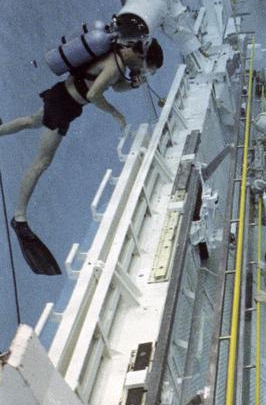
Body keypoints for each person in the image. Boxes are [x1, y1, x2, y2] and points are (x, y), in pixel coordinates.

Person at [0, 36, 162, 273]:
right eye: (144, 66)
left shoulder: (116, 61)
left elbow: (116, 86)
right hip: (63, 107)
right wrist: (116, 114)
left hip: (61, 99)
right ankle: (19, 217)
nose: (141, 70)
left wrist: (135, 83)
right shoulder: (116, 64)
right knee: (41, 162)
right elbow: (95, 93)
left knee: (32, 121)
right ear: (140, 55)